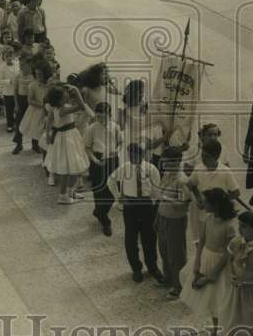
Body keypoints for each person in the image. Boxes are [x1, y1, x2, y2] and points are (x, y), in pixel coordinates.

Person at [179, 188, 236, 336]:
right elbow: (201, 241)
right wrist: (197, 263)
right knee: (211, 300)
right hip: (205, 257)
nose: (203, 203)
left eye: (206, 201)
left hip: (220, 265)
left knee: (220, 299)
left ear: (216, 205)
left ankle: (223, 331)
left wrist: (213, 274)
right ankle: (218, 329)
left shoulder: (229, 226)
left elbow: (228, 252)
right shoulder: (208, 219)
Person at [107, 142, 165, 284]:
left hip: (146, 205)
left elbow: (157, 189)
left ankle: (152, 267)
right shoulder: (125, 168)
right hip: (130, 205)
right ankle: (136, 269)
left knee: (149, 237)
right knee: (131, 239)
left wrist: (153, 205)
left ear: (143, 154)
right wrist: (118, 196)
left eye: (137, 153)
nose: (134, 157)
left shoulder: (151, 169)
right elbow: (110, 180)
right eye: (131, 154)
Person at [44, 83, 92, 205]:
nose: (67, 94)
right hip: (67, 138)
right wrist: (76, 91)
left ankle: (69, 191)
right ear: (60, 100)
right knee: (69, 168)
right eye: (64, 94)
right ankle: (63, 196)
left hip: (66, 137)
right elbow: (82, 106)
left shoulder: (55, 108)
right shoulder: (63, 110)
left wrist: (48, 134)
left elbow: (49, 121)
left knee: (71, 168)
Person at [155, 147, 192, 299]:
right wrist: (157, 217)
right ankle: (168, 278)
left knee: (176, 255)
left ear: (176, 162)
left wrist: (165, 199)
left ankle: (179, 286)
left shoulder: (182, 180)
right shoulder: (167, 175)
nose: (163, 164)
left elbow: (184, 204)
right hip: (163, 217)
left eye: (167, 162)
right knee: (164, 251)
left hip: (175, 221)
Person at [83, 102, 123, 236]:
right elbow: (87, 147)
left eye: (103, 117)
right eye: (98, 116)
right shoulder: (91, 128)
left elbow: (121, 143)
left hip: (112, 160)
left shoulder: (115, 127)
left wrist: (115, 151)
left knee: (112, 190)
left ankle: (99, 211)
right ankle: (105, 221)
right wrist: (95, 160)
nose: (100, 119)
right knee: (99, 190)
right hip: (98, 159)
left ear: (109, 115)